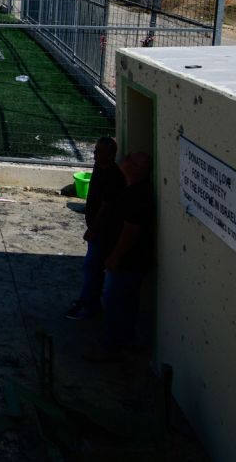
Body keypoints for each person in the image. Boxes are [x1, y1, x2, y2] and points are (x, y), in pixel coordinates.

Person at [88, 151, 155, 361]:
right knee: (125, 303)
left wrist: (116, 255)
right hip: (130, 261)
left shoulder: (136, 195)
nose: (124, 160)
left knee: (115, 302)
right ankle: (122, 342)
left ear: (137, 169)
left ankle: (112, 347)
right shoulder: (131, 188)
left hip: (127, 262)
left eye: (131, 160)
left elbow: (131, 229)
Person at [65, 137, 124, 320]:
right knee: (91, 266)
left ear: (110, 154)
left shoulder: (113, 176)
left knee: (93, 267)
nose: (95, 155)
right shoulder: (99, 168)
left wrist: (93, 229)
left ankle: (90, 305)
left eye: (99, 152)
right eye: (95, 151)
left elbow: (106, 206)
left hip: (104, 231)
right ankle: (86, 299)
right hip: (96, 227)